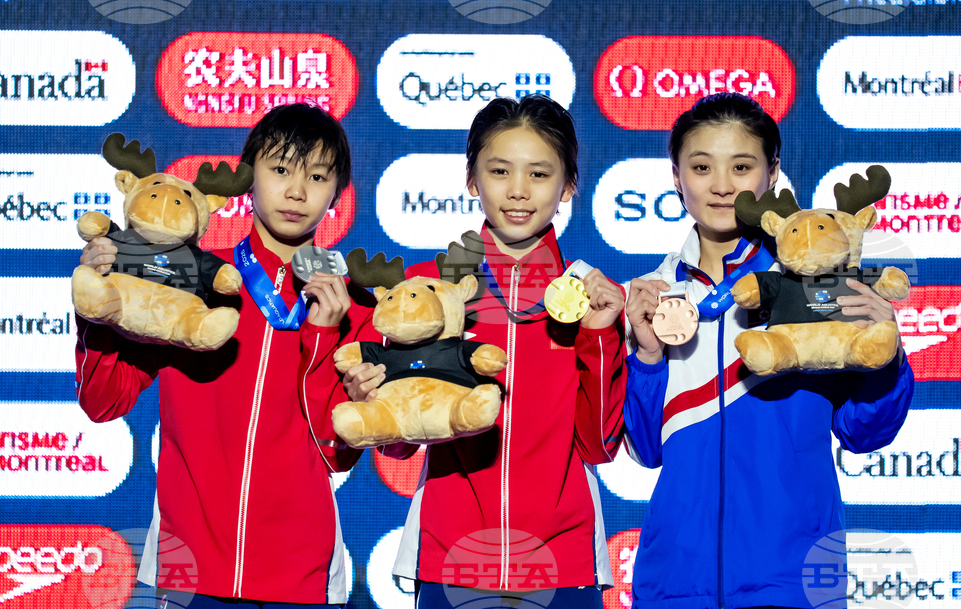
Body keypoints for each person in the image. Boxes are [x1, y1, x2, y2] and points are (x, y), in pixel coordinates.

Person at [75, 103, 378, 608]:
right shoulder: (187, 281)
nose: (297, 192)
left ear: (337, 195)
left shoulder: (354, 307)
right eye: (280, 169)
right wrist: (99, 309)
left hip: (299, 577)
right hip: (187, 567)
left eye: (318, 176)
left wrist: (323, 338)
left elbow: (336, 452)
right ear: (248, 174)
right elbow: (103, 403)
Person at [623, 92, 915, 609]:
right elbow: (647, 450)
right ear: (676, 176)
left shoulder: (813, 284)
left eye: (741, 165)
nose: (720, 185)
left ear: (772, 173)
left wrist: (885, 357)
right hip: (673, 583)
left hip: (793, 582)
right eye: (700, 166)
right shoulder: (654, 292)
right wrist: (646, 358)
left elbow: (862, 432)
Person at [344, 94, 627, 608]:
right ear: (472, 180)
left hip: (561, 562)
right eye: (499, 171)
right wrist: (375, 403)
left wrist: (602, 336)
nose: (518, 191)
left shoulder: (590, 295)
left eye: (539, 175)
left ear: (567, 187)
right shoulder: (427, 295)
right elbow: (399, 445)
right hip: (450, 555)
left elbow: (599, 445)